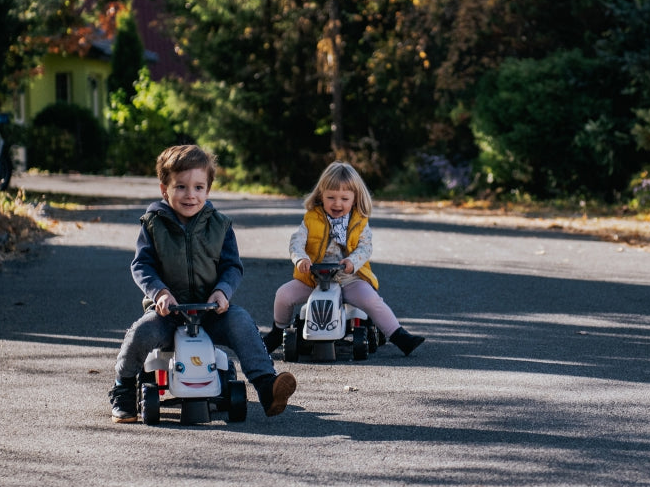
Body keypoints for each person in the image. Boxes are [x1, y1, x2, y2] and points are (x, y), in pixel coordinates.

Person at [108, 144, 297, 422]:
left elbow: (232, 266)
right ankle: (123, 387)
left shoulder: (219, 225)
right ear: (165, 190)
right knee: (141, 333)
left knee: (242, 321)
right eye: (181, 187)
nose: (190, 195)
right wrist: (159, 292)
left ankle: (267, 386)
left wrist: (223, 291)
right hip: (168, 313)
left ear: (208, 190)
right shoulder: (153, 225)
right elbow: (142, 265)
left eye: (198, 187)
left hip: (210, 311)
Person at [262, 161, 425, 357]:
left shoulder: (359, 222)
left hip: (349, 278)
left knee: (371, 300)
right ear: (321, 195)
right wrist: (301, 259)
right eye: (330, 197)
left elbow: (365, 247)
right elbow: (296, 242)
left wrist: (352, 262)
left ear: (355, 199)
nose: (337, 203)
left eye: (344, 198)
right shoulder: (311, 219)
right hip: (313, 278)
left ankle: (399, 336)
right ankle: (278, 331)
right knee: (283, 295)